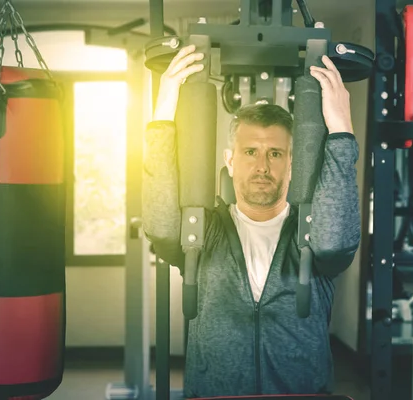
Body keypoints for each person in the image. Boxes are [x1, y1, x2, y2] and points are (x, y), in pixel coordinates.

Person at [142, 44, 361, 398]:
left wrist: (341, 131)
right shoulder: (203, 232)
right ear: (230, 160)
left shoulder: (311, 237)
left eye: (275, 153)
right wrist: (163, 112)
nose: (262, 166)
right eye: (250, 152)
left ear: (292, 164)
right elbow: (159, 222)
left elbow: (338, 239)